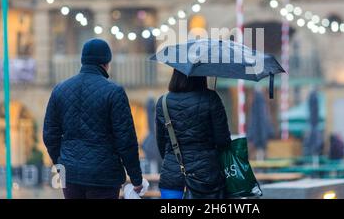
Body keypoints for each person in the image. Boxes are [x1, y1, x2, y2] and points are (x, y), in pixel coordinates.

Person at [43, 38, 143, 199]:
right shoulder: (114, 92)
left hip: (71, 175)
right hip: (104, 176)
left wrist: (62, 164)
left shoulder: (59, 90)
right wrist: (136, 178)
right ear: (106, 63)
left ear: (83, 61)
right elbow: (126, 140)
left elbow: (49, 135)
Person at [156, 69, 231, 199]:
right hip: (207, 177)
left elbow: (161, 143)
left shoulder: (163, 102)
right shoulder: (211, 98)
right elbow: (223, 141)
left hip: (172, 176)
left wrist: (173, 160)